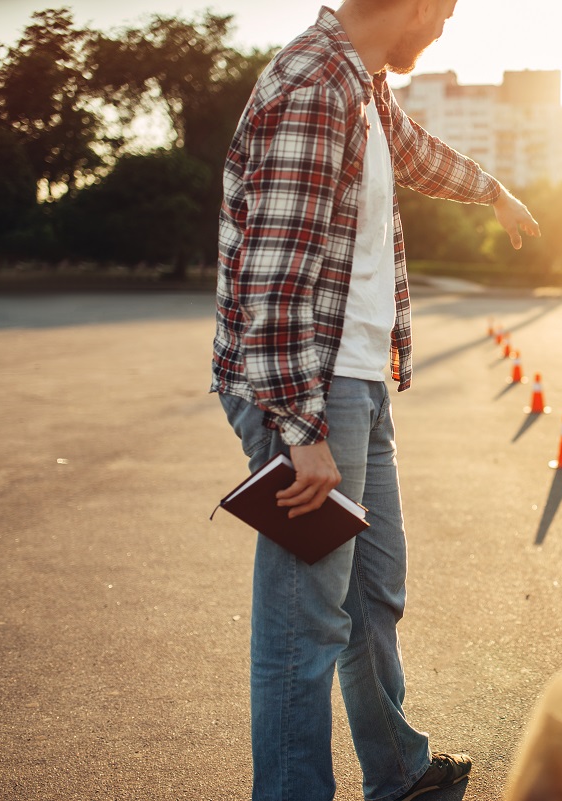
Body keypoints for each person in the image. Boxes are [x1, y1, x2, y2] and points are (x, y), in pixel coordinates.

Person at [210, 1, 540, 799]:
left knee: (371, 591)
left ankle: (400, 774)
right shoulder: (315, 87)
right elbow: (274, 277)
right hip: (310, 388)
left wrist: (492, 190)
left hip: (353, 376)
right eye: (447, 12)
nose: (444, 30)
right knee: (306, 618)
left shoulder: (363, 84)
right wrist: (299, 428)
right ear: (419, 5)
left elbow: (415, 152)